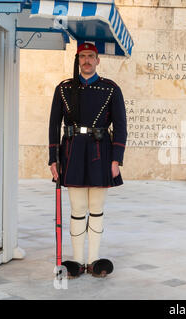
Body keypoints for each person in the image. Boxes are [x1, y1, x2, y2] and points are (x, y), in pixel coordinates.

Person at [48, 42, 127, 278]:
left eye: (91, 56)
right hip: (72, 153)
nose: (87, 61)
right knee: (78, 208)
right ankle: (77, 260)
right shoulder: (63, 88)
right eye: (82, 56)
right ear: (77, 59)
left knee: (96, 208)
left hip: (100, 153)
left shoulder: (111, 89)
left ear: (98, 60)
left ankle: (93, 260)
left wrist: (116, 160)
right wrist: (53, 159)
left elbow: (121, 127)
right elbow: (53, 125)